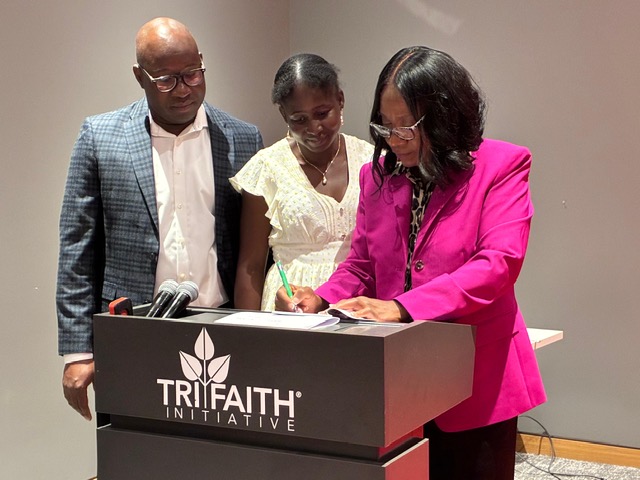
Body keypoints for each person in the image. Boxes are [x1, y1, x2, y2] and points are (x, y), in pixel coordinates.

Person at [276, 46, 546, 480]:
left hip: (475, 378)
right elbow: (362, 264)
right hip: (398, 378)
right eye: (385, 125)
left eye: (407, 126)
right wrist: (321, 299)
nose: (393, 139)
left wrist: (403, 307)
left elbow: (497, 265)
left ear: (445, 117)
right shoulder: (378, 176)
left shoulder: (501, 165)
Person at [57, 17, 263, 421]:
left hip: (222, 323)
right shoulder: (100, 136)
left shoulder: (243, 138)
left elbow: (253, 245)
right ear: (140, 77)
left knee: (223, 447)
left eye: (193, 73)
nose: (184, 89)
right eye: (167, 79)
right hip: (133, 330)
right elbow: (76, 249)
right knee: (134, 446)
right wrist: (78, 351)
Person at [230, 53, 373, 311]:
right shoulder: (267, 168)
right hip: (290, 306)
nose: (314, 128)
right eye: (299, 119)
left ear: (340, 100)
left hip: (359, 300)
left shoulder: (371, 160)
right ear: (284, 114)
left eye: (322, 113)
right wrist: (246, 329)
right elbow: (251, 265)